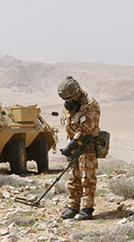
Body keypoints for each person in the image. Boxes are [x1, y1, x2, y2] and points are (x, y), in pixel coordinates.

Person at [58, 76, 100, 220]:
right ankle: (72, 206)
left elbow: (85, 129)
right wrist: (70, 146)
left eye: (69, 98)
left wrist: (71, 146)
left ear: (76, 93)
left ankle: (87, 208)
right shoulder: (70, 105)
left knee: (87, 177)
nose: (67, 102)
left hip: (87, 145)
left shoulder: (90, 104)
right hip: (74, 146)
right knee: (73, 177)